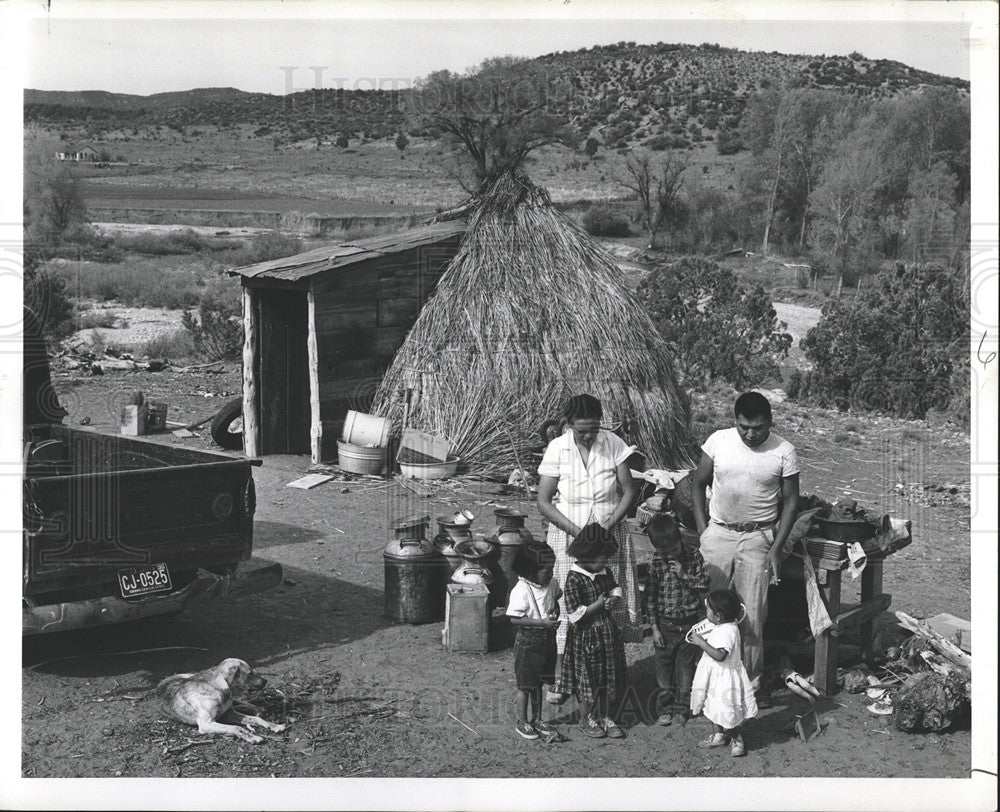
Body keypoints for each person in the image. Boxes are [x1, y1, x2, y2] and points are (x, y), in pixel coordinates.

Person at [690, 391, 799, 703]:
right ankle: (708, 683)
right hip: (719, 534)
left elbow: (792, 502)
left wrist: (776, 548)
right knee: (710, 609)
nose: (751, 434)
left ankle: (749, 685)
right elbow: (698, 483)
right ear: (734, 422)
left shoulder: (784, 451)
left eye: (759, 428)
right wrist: (703, 530)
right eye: (743, 427)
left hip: (757, 538)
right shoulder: (718, 441)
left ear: (770, 423)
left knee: (751, 615)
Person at [536, 394, 641, 702]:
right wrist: (579, 533)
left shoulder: (613, 443)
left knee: (610, 600)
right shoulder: (558, 448)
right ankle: (562, 677)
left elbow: (629, 492)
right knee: (571, 603)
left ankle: (610, 674)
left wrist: (604, 529)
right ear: (569, 425)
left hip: (609, 534)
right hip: (569, 533)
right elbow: (543, 501)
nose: (588, 435)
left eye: (593, 429)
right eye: (582, 430)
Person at [558, 523, 629, 739]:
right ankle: (586, 718)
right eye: (602, 558)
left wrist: (614, 599)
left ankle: (605, 715)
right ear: (588, 555)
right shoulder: (574, 578)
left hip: (606, 634)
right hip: (585, 637)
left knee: (608, 676)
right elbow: (574, 614)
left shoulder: (603, 572)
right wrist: (597, 606)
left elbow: (615, 587)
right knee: (587, 680)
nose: (605, 562)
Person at [645, 513, 710, 727]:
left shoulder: (693, 556)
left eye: (673, 549)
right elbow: (651, 598)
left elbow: (704, 585)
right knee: (663, 669)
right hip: (665, 624)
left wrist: (685, 576)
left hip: (689, 624)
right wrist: (654, 628)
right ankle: (664, 707)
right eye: (664, 552)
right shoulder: (656, 561)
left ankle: (682, 708)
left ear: (680, 538)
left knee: (685, 669)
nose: (669, 555)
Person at [505, 541, 563, 742]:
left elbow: (556, 598)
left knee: (539, 684)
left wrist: (555, 609)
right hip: (529, 642)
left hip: (547, 641)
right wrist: (541, 623)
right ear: (530, 571)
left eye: (551, 569)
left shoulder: (551, 583)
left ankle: (537, 719)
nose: (550, 574)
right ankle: (522, 722)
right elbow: (514, 618)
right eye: (545, 571)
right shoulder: (522, 589)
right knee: (525, 685)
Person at [689, 589, 758, 757]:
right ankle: (719, 735)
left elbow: (720, 656)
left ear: (718, 615)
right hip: (714, 676)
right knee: (712, 705)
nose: (706, 614)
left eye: (708, 611)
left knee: (727, 709)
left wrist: (701, 643)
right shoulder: (720, 625)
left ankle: (736, 738)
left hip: (725, 678)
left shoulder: (728, 631)